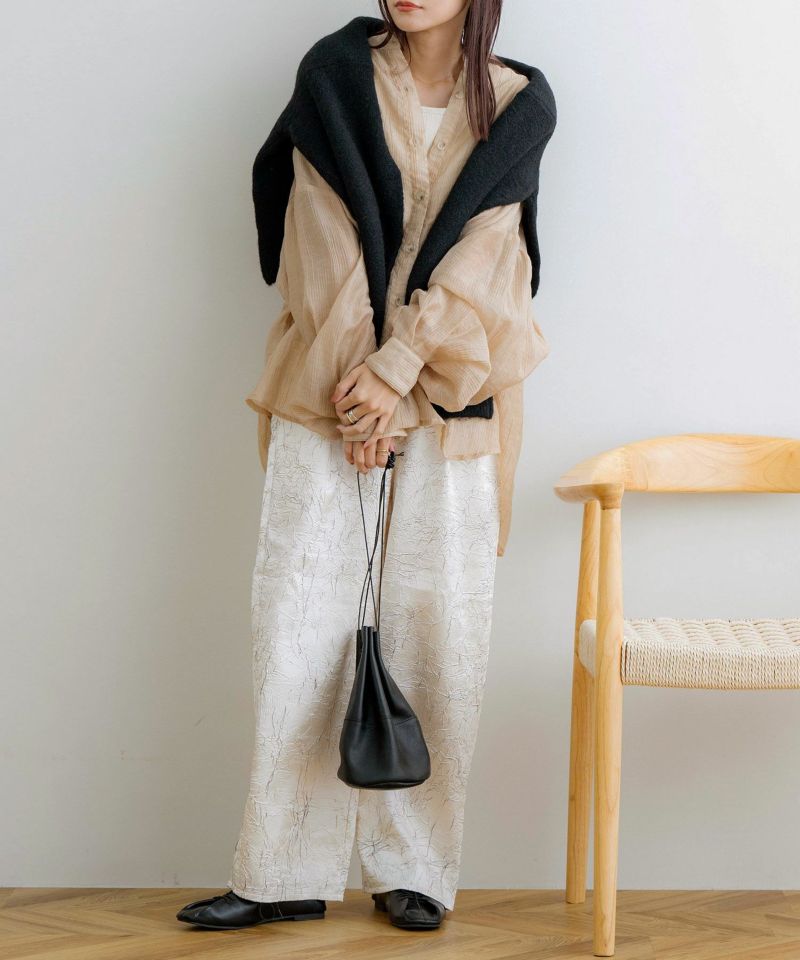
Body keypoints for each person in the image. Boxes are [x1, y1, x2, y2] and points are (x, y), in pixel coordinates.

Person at [177, 0, 556, 934]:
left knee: (438, 631)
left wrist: (400, 372)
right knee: (298, 627)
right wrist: (361, 386)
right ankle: (280, 870)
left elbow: (490, 259)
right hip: (326, 384)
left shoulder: (519, 103)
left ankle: (414, 868)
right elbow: (318, 238)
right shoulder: (336, 74)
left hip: (454, 392)